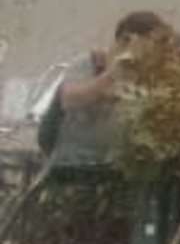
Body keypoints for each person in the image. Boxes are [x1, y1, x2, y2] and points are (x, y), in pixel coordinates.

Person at [42, 11, 163, 168]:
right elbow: (69, 99)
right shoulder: (90, 64)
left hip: (115, 168)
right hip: (72, 166)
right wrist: (113, 74)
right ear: (124, 41)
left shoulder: (147, 75)